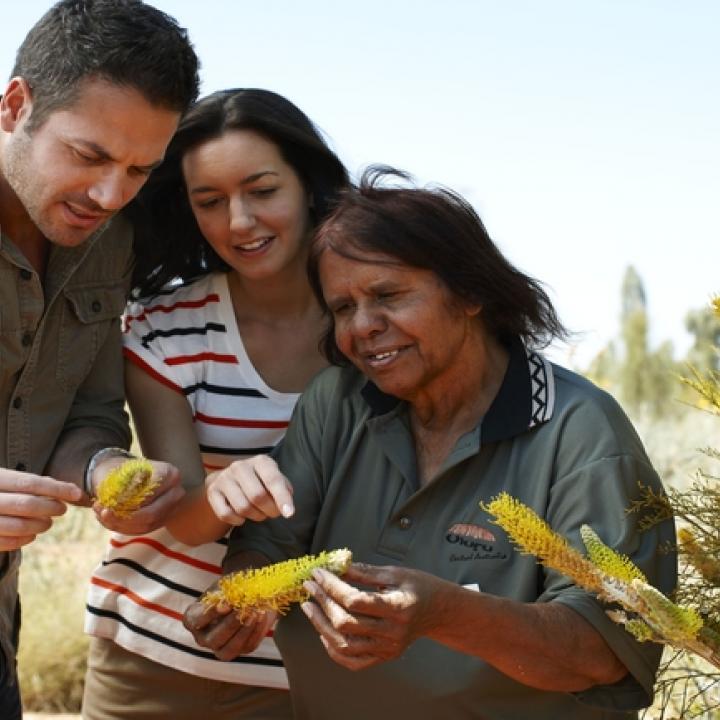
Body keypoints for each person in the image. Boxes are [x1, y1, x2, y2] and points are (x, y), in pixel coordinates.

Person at [184, 167, 677, 719]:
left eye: (388, 295)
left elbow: (601, 650)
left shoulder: (580, 429)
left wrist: (444, 613)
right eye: (343, 307)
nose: (363, 326)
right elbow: (268, 546)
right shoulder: (336, 402)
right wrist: (244, 599)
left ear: (469, 291)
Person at [82, 88, 350, 719]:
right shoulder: (163, 329)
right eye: (211, 201)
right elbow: (183, 513)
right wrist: (231, 491)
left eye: (262, 191)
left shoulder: (371, 327)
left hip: (310, 677)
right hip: (151, 657)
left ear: (308, 186)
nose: (240, 222)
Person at [0, 1, 199, 716]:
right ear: (15, 105)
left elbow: (84, 410)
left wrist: (102, 470)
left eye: (140, 169)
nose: (110, 195)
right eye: (88, 155)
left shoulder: (108, 245)